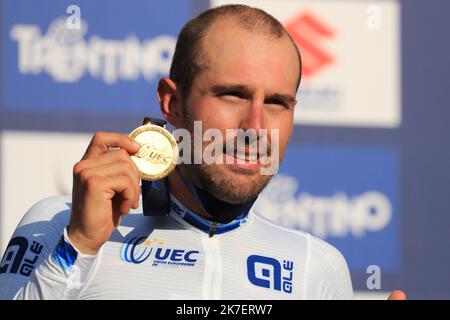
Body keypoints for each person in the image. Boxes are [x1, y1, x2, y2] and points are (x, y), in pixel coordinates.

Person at [0, 4, 403, 300]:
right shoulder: (58, 226)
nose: (256, 128)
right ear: (172, 103)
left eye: (277, 102)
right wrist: (79, 247)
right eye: (232, 95)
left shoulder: (316, 265)